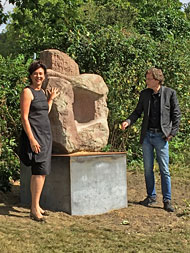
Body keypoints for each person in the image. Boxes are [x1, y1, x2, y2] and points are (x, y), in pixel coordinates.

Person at [121, 67, 181, 212]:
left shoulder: (170, 93)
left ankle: (167, 200)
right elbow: (137, 112)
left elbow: (176, 115)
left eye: (149, 79)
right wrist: (128, 121)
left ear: (156, 80)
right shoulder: (144, 94)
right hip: (147, 136)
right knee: (148, 169)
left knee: (164, 169)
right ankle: (151, 197)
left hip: (162, 137)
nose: (146, 81)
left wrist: (171, 134)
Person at [20, 61, 59, 221]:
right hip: (34, 137)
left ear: (44, 76)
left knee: (42, 172)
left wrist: (50, 99)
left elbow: (44, 111)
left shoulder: (42, 92)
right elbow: (24, 117)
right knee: (38, 172)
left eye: (41, 74)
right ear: (31, 75)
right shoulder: (27, 92)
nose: (38, 76)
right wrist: (31, 139)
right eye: (35, 73)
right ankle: (34, 209)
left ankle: (37, 206)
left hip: (45, 137)